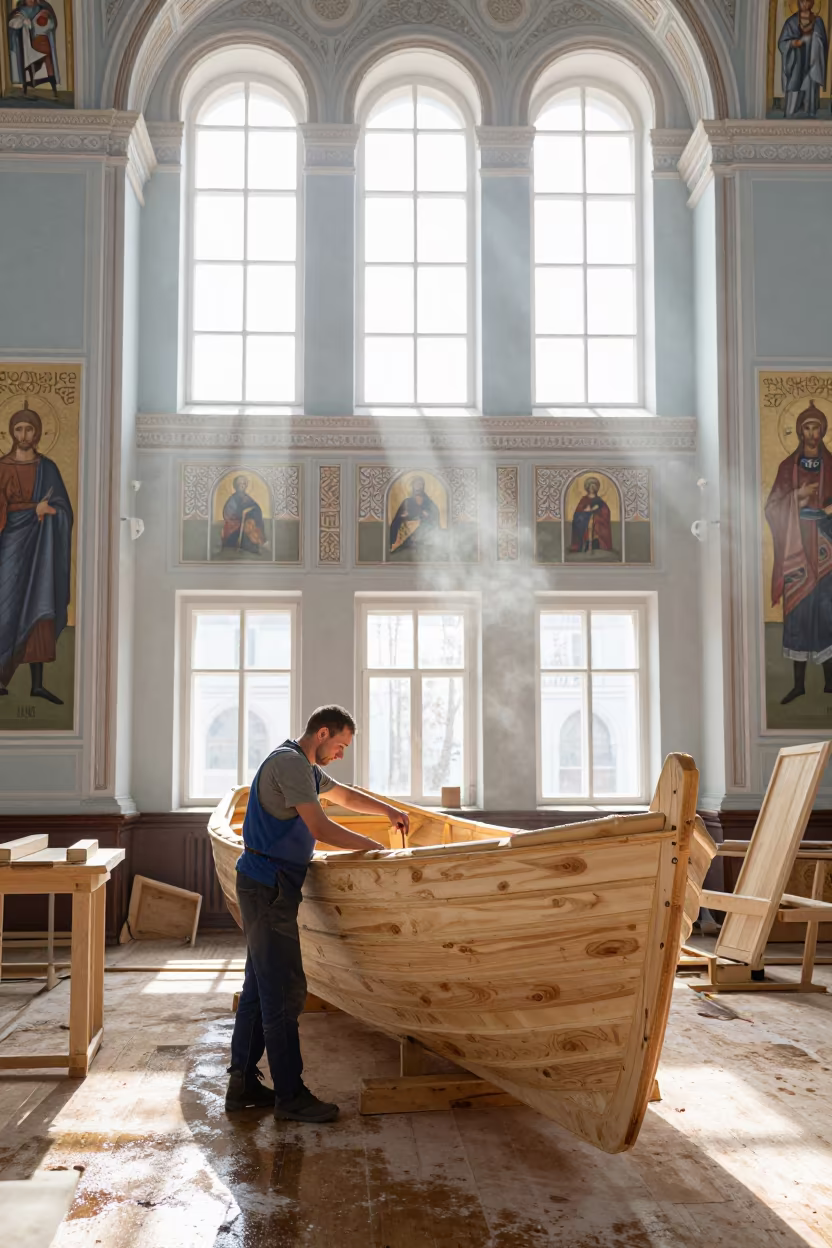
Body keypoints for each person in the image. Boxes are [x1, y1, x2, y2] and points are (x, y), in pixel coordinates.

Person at [226, 705, 409, 1124]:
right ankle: (290, 1096)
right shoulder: (290, 764)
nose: (341, 753)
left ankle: (242, 1087)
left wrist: (387, 811)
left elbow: (343, 794)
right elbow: (322, 828)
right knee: (285, 992)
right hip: (268, 888)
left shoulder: (303, 765)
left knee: (258, 989)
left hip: (268, 886)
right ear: (322, 733)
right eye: (340, 745)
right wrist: (374, 848)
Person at [0, 401, 73, 704]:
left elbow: (64, 510)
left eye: (29, 428)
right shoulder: (2, 466)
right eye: (18, 428)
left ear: (39, 432)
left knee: (39, 606)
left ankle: (37, 685)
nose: (24, 434)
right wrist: (35, 509)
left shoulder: (49, 468)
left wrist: (51, 511)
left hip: (41, 548)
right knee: (5, 607)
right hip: (9, 547)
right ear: (11, 432)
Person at [765, 400, 832, 704]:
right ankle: (798, 685)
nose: (812, 432)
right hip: (794, 542)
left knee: (826, 610)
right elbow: (772, 507)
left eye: (816, 427)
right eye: (807, 427)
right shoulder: (786, 468)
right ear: (799, 431)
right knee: (797, 611)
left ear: (823, 431)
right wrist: (797, 497)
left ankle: (830, 682)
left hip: (826, 545)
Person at [778, 0, 829, 118]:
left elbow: (823, 44)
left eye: (807, 1)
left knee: (810, 91)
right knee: (794, 86)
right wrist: (794, 43)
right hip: (796, 63)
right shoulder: (791, 22)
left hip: (812, 64)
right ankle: (791, 115)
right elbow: (782, 43)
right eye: (801, 1)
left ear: (812, 3)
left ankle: (809, 115)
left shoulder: (818, 22)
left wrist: (814, 40)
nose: (804, 4)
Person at [7, 0, 60, 99]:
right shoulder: (19, 11)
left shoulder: (43, 8)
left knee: (47, 59)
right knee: (29, 63)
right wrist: (21, 21)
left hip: (41, 40)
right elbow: (12, 24)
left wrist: (46, 17)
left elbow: (51, 24)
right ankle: (26, 86)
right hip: (25, 45)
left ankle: (53, 88)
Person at [389, 475, 443, 558]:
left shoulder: (428, 502)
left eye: (420, 484)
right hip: (409, 530)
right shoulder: (407, 502)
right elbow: (397, 520)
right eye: (416, 484)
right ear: (413, 486)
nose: (418, 486)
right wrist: (403, 516)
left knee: (426, 526)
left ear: (423, 486)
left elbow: (435, 516)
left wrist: (428, 515)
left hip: (424, 530)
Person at [220, 475, 268, 556]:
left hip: (248, 521)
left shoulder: (247, 498)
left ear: (246, 485)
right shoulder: (233, 498)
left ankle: (255, 546)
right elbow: (227, 512)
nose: (241, 486)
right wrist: (240, 515)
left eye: (243, 484)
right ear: (235, 486)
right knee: (248, 525)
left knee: (251, 524)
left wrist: (249, 513)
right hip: (235, 523)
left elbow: (256, 508)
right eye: (239, 484)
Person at [569, 477, 613, 556]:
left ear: (596, 488)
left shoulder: (599, 500)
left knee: (595, 523)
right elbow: (578, 512)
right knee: (582, 522)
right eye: (590, 486)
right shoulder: (584, 499)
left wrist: (597, 513)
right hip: (585, 521)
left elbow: (606, 511)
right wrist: (585, 512)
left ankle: (596, 545)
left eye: (594, 486)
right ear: (587, 488)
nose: (592, 488)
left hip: (596, 521)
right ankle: (583, 545)